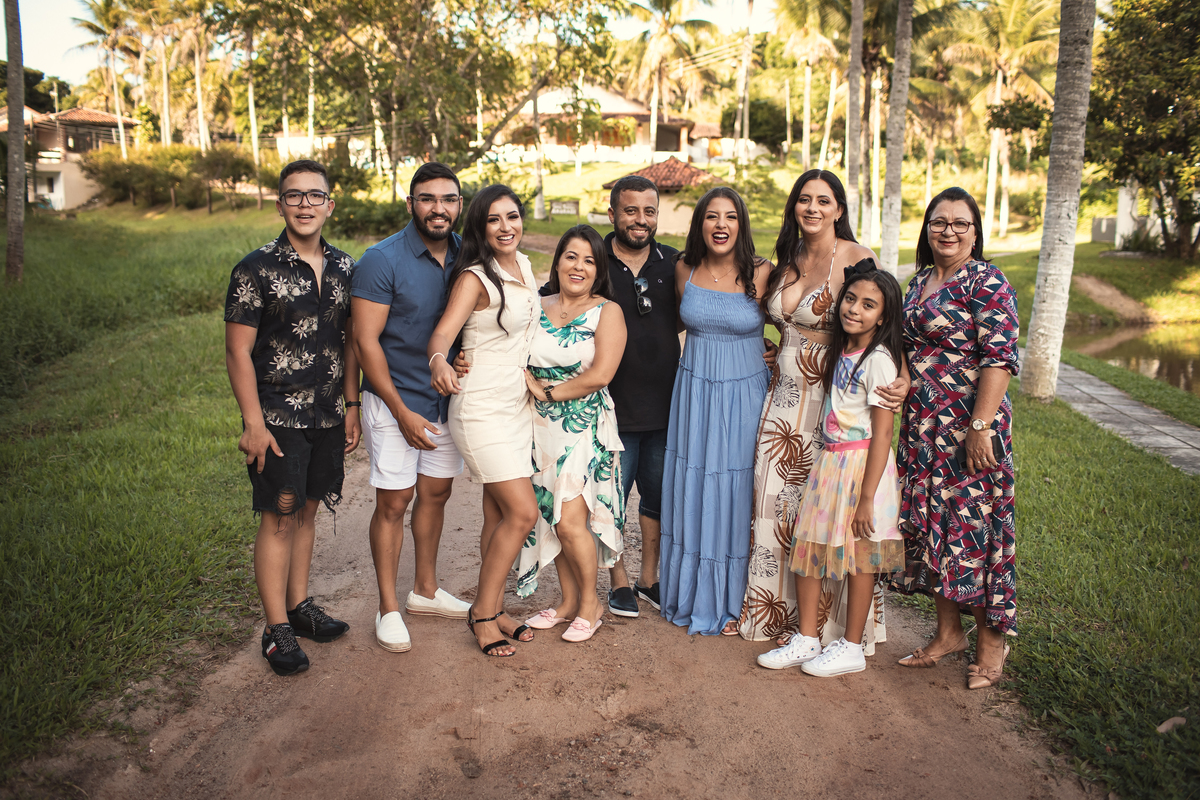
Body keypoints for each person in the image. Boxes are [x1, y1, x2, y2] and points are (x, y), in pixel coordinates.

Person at [736, 170, 907, 648]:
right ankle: (780, 619)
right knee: (774, 505)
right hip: (782, 400)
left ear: (838, 209)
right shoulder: (787, 257)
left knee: (832, 516)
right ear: (794, 206)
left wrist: (904, 374)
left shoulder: (857, 257)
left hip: (834, 404)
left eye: (823, 200)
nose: (812, 208)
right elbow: (780, 319)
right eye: (804, 200)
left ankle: (838, 634)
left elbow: (884, 318)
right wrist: (774, 345)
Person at [224, 159, 360, 676]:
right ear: (280, 204)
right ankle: (275, 628)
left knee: (307, 510)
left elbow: (351, 345)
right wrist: (252, 423)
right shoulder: (254, 269)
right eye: (294, 195)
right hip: (276, 417)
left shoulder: (348, 268)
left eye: (314, 195)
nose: (305, 204)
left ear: (330, 203)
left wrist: (351, 406)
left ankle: (299, 607)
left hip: (327, 415)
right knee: (279, 517)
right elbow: (238, 353)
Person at [890, 187, 1019, 690]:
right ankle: (948, 633)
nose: (948, 230)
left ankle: (990, 641)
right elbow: (901, 345)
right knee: (938, 529)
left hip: (970, 429)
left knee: (977, 533)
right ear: (927, 228)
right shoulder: (920, 281)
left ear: (974, 230)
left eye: (960, 223)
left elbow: (1000, 357)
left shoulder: (986, 280)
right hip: (923, 428)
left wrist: (980, 427)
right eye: (939, 222)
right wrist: (902, 377)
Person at [757, 265, 906, 675]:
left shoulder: (878, 361)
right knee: (809, 546)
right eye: (851, 299)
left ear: (884, 316)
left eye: (868, 304)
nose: (854, 309)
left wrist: (866, 499)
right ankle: (807, 637)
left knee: (860, 558)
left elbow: (881, 435)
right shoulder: (847, 349)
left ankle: (852, 647)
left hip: (863, 469)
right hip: (831, 463)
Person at [351, 162, 472, 655]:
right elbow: (364, 342)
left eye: (448, 199)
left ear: (459, 205)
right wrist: (399, 412)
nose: (438, 208)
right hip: (394, 398)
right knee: (394, 502)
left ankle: (424, 590)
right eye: (427, 198)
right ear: (410, 204)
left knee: (437, 494)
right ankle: (387, 607)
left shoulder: (468, 254)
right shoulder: (382, 260)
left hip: (445, 400)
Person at [428, 184, 541, 657]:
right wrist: (440, 361)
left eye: (512, 216)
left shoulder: (527, 266)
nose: (505, 227)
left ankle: (494, 608)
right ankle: (482, 611)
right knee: (523, 512)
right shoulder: (476, 277)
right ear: (480, 227)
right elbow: (442, 335)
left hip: (518, 406)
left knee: (497, 514)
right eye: (494, 220)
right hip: (479, 407)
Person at [659, 187, 772, 636]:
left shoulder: (762, 273)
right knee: (695, 484)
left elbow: (797, 325)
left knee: (738, 487)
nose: (720, 225)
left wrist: (773, 351)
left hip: (745, 393)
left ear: (741, 224)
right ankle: (692, 595)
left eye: (730, 216)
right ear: (699, 224)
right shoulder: (683, 267)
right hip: (695, 392)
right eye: (711, 217)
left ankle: (738, 600)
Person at [518, 226, 628, 643]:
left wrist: (547, 391)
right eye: (571, 256)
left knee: (571, 523)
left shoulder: (608, 312)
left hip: (583, 427)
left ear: (598, 270)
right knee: (553, 517)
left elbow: (600, 375)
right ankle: (566, 603)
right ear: (558, 260)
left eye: (589, 260)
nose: (578, 267)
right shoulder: (536, 304)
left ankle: (590, 605)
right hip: (536, 428)